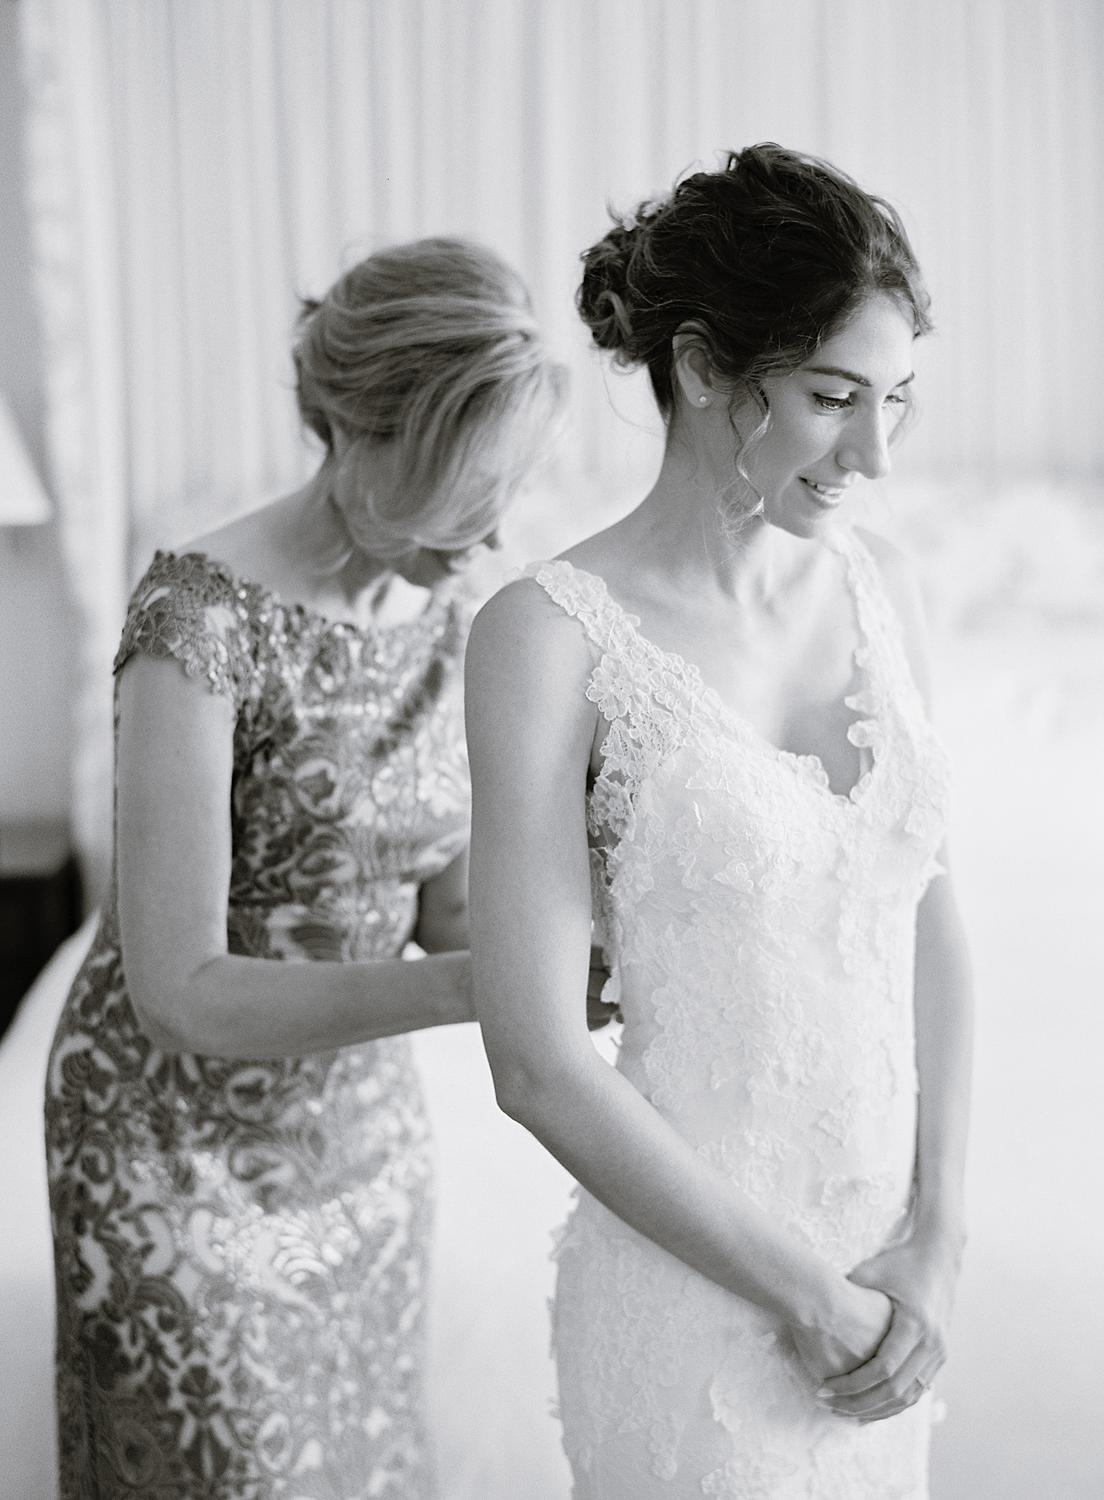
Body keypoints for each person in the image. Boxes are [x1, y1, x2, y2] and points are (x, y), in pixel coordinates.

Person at [465, 145, 973, 1498]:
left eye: (895, 404)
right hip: (698, 1300)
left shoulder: (888, 586)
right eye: (830, 399)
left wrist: (938, 1237)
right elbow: (535, 1062)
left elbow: (931, 919)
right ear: (701, 370)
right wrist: (807, 1296)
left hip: (885, 1292)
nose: (871, 453)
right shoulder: (545, 639)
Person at [44, 237, 568, 1499]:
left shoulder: (458, 611)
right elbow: (180, 985)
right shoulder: (197, 619)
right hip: (167, 1146)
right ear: (361, 434)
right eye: (460, 490)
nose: (488, 531)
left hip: (361, 1144)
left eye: (507, 490)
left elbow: (438, 897)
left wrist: (570, 915)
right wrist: (477, 987)